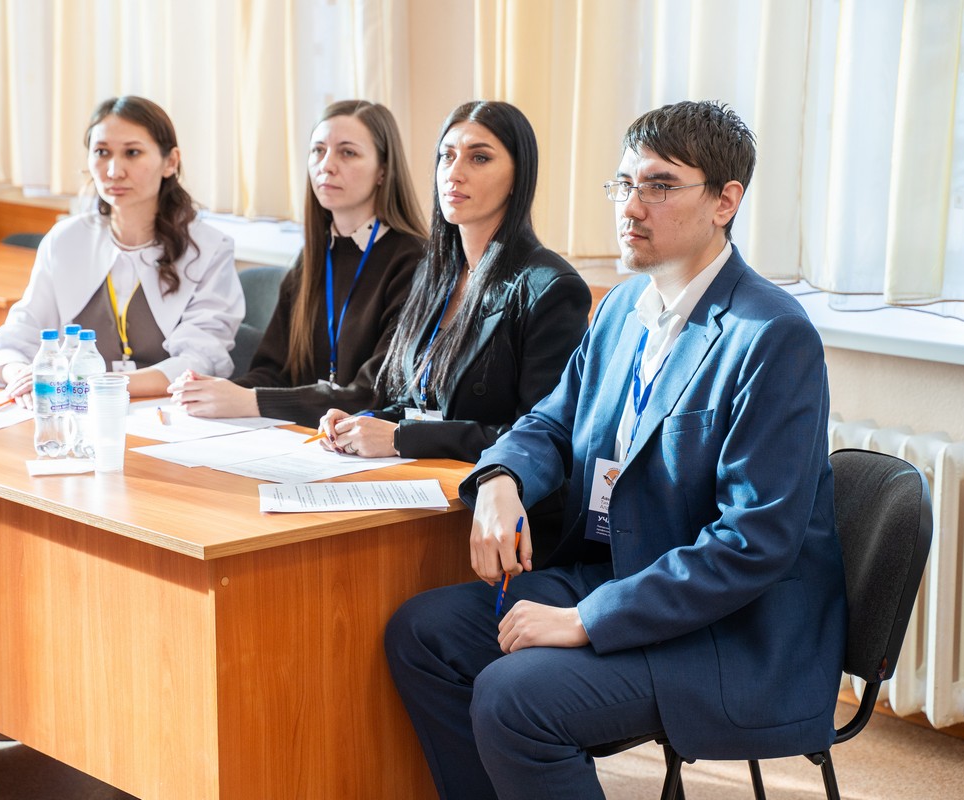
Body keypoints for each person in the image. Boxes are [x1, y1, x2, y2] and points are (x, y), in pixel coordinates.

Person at [383, 100, 847, 800]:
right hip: (614, 570)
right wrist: (502, 477)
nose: (631, 206)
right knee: (422, 634)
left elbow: (751, 543)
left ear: (725, 202)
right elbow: (549, 422)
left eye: (659, 186)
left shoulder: (771, 336)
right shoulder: (623, 309)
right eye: (625, 184)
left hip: (724, 628)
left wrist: (585, 621)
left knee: (514, 697)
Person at [316, 100, 590, 463]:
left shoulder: (552, 288)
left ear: (518, 176)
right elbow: (415, 405)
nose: (454, 173)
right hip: (415, 478)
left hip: (484, 488)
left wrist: (401, 438)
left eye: (479, 158)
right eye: (447, 156)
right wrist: (361, 423)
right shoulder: (434, 271)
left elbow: (540, 436)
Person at [168, 100, 427, 427]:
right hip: (299, 437)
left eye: (348, 153)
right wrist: (216, 391)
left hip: (362, 440)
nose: (326, 165)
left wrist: (250, 400)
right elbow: (274, 371)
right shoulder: (314, 255)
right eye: (318, 150)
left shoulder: (413, 260)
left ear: (383, 170)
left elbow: (374, 394)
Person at [0, 95, 243, 406]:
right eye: (102, 152)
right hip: (75, 409)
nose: (114, 171)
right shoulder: (65, 240)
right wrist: (23, 376)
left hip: (166, 413)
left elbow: (200, 360)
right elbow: (15, 338)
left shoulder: (209, 248)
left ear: (170, 162)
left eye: (132, 153)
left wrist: (92, 385)